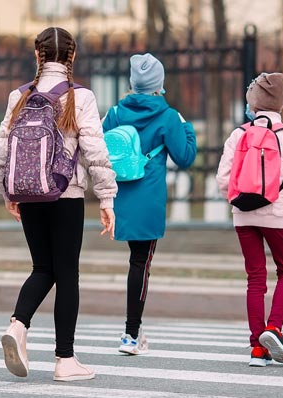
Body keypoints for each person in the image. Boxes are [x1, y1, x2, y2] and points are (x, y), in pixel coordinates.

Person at [0, 27, 117, 381]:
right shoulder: (80, 97)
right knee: (67, 274)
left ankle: (18, 325)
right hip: (66, 195)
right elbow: (95, 151)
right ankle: (65, 360)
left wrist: (7, 191)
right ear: (72, 58)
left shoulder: (19, 95)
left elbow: (1, 149)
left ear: (37, 55)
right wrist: (106, 198)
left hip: (28, 192)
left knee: (42, 268)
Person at [101, 53, 198, 355]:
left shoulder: (115, 112)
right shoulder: (169, 116)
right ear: (159, 84)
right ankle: (131, 334)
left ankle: (134, 331)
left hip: (122, 195)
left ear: (132, 83)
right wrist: (188, 128)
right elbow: (185, 158)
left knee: (136, 262)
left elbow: (100, 147)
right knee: (141, 263)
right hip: (149, 199)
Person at [215, 72, 283, 367]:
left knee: (255, 278)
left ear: (252, 102)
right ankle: (274, 328)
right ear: (281, 103)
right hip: (277, 214)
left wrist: (236, 201)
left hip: (243, 215)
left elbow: (223, 179)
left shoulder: (238, 134)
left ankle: (258, 347)